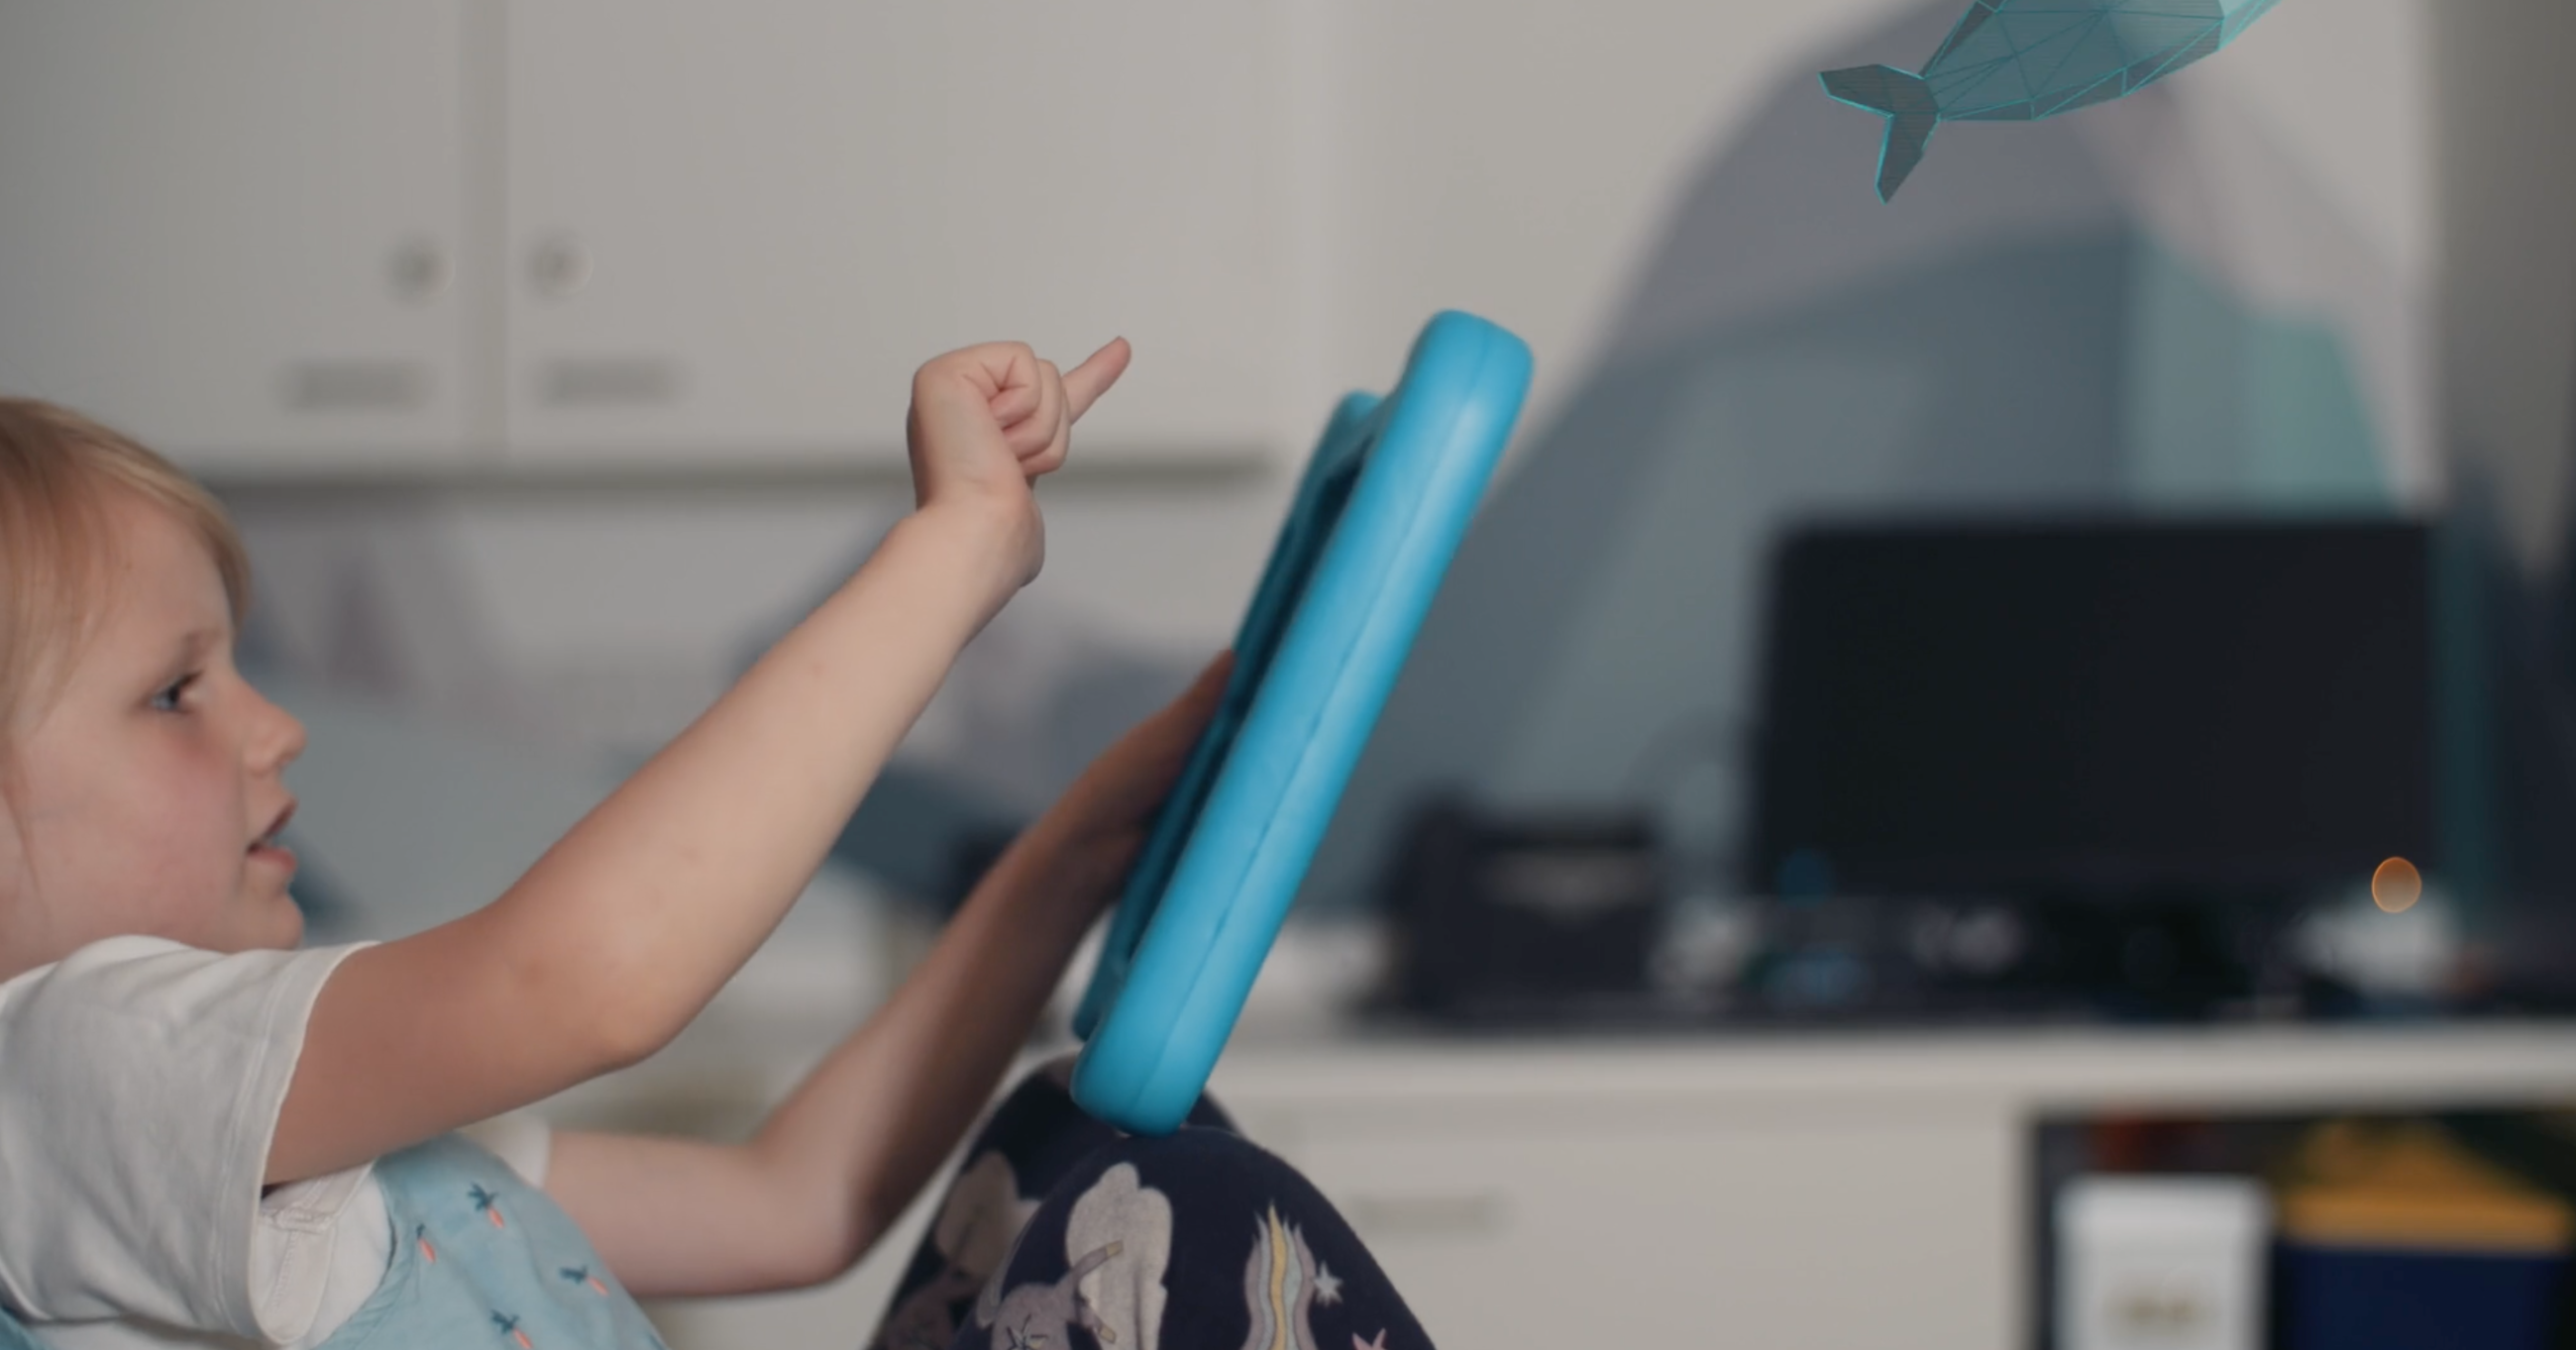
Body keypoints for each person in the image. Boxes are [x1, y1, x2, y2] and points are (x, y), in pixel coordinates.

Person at [0, 343, 1428, 1350]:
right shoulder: (65, 1068)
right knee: (1195, 1212)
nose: (276, 727)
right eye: (176, 691)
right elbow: (587, 979)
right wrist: (958, 548)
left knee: (1085, 1144)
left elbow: (790, 1204)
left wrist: (1077, 844)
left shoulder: (298, 1140)